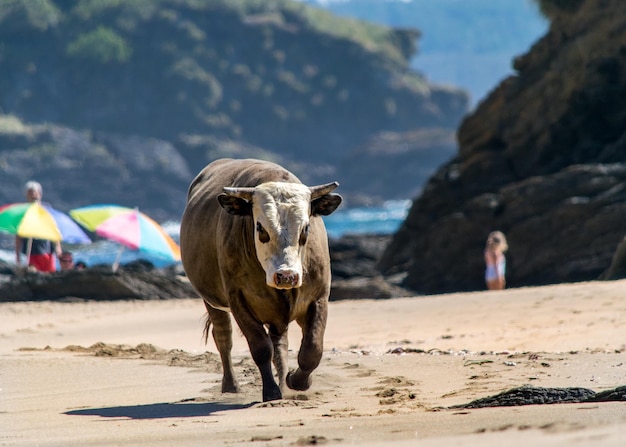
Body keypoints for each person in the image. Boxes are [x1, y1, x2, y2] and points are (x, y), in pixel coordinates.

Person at [15, 181, 63, 272]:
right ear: (27, 196)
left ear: (40, 194)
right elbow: (18, 235)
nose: (33, 196)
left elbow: (54, 229)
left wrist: (58, 248)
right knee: (34, 277)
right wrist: (17, 256)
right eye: (30, 194)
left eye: (35, 193)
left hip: (47, 252)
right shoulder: (23, 213)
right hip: (31, 253)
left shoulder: (46, 210)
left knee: (49, 277)